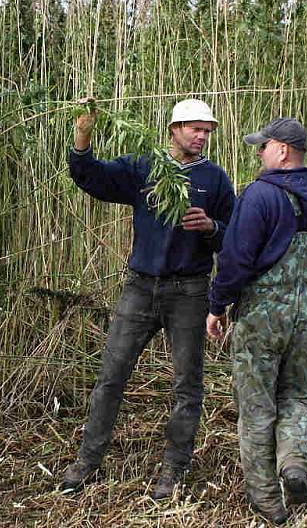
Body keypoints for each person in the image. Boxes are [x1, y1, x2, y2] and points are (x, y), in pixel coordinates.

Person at [61, 97, 236, 500]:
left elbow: (234, 239)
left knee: (187, 386)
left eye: (207, 131)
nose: (202, 136)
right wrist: (83, 134)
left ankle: (173, 470)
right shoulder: (145, 166)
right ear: (173, 129)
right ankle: (88, 461)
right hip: (139, 288)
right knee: (111, 376)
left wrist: (211, 227)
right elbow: (91, 176)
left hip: (190, 291)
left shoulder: (216, 179)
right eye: (195, 128)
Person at [206, 117, 307, 525]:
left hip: (262, 317)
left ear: (283, 150)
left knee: (256, 407)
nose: (258, 153)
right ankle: (293, 464)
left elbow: (236, 260)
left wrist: (218, 305)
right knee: (297, 397)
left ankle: (268, 501)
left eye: (263, 146)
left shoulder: (259, 196)